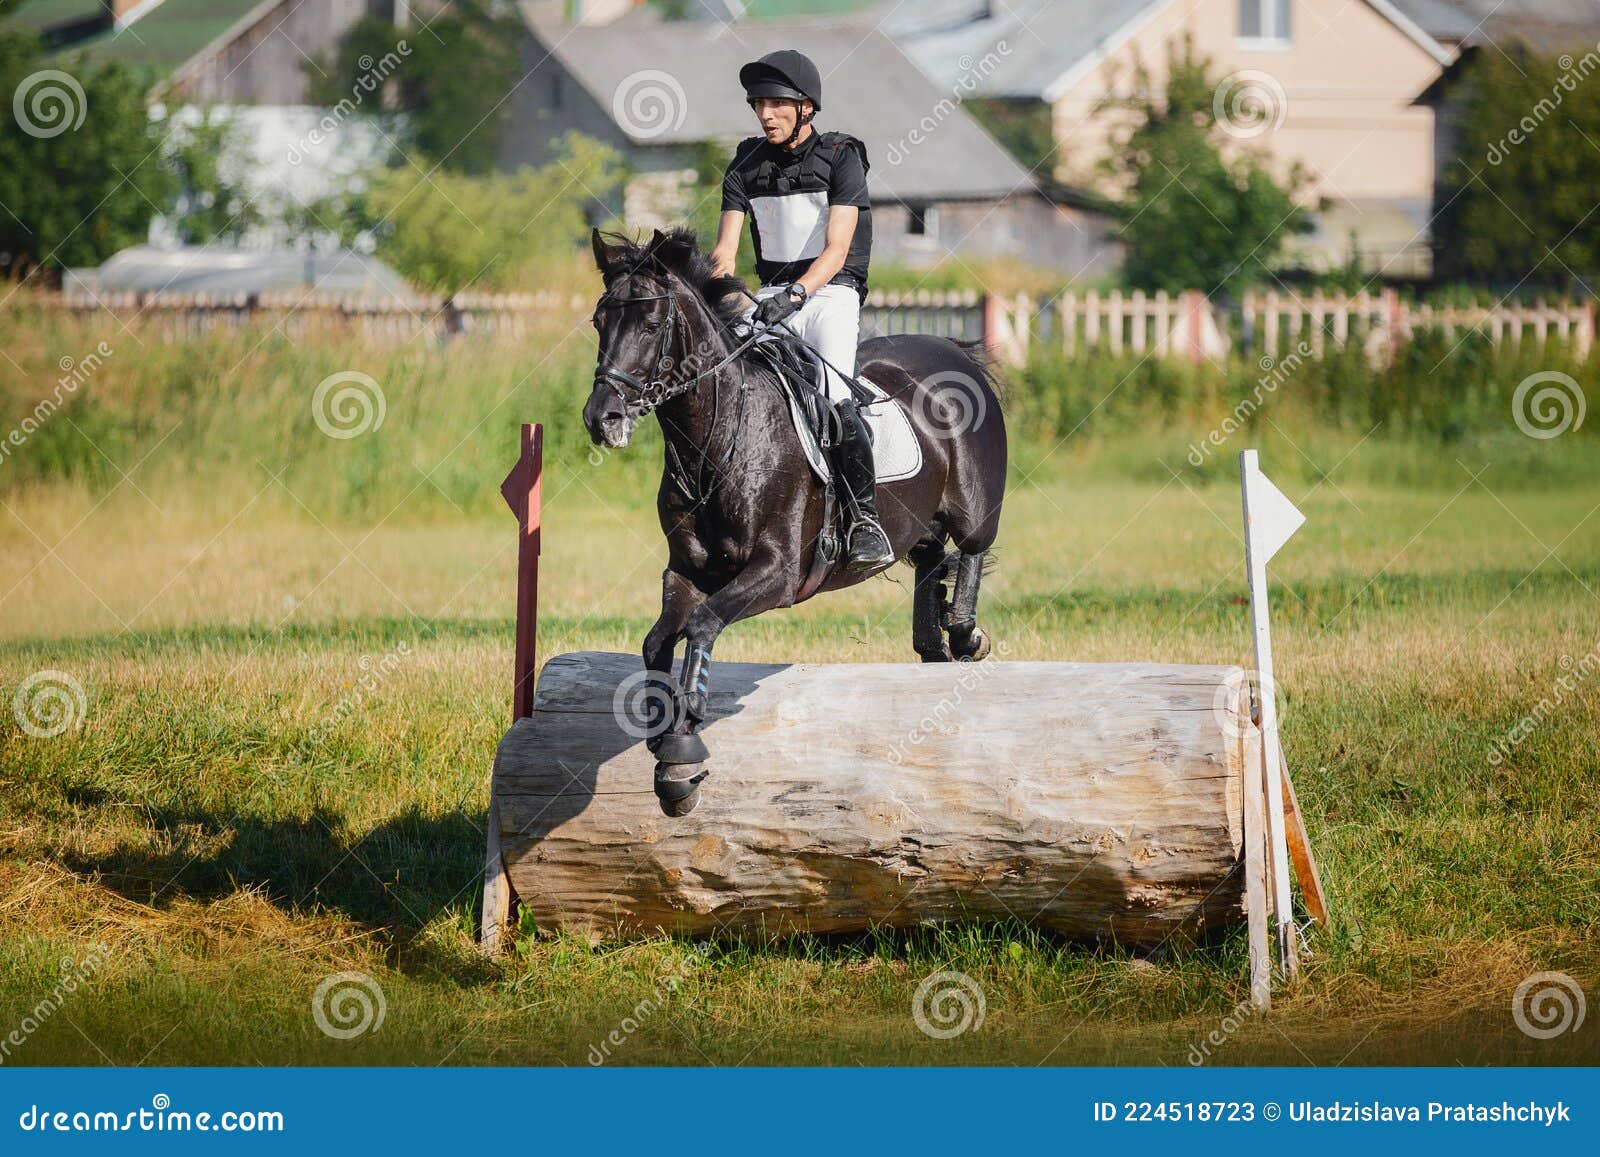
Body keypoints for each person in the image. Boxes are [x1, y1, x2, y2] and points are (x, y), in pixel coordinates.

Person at [709, 49, 894, 571]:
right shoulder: (745, 162)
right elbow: (726, 248)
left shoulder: (842, 157)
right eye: (758, 104)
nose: (765, 114)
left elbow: (836, 250)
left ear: (806, 107)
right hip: (771, 297)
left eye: (776, 104)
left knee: (836, 399)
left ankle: (863, 521)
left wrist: (797, 296)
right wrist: (712, 281)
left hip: (829, 293)